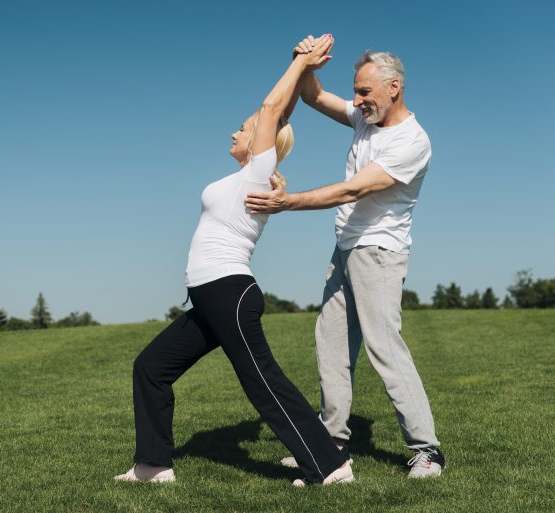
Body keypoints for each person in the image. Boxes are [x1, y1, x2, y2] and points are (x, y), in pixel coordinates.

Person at [114, 34, 353, 487]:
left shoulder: (258, 175)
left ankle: (330, 465)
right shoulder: (244, 177)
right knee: (151, 367)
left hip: (229, 292)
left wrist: (300, 63)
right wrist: (299, 68)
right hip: (207, 300)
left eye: (241, 130)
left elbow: (271, 112)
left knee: (263, 383)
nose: (235, 133)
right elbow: (276, 114)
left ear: (259, 143)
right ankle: (152, 465)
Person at [245, 37, 445, 478]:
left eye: (365, 92)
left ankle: (426, 450)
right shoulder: (365, 120)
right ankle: (331, 442)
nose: (357, 101)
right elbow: (313, 94)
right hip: (345, 248)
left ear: (394, 87)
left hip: (378, 252)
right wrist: (303, 61)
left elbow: (354, 189)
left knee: (383, 348)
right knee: (331, 346)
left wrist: (288, 203)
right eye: (355, 91)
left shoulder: (412, 142)